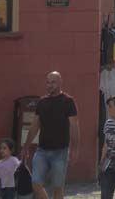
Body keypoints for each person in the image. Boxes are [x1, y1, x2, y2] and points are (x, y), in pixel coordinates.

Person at [21, 71, 79, 199]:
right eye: (48, 82)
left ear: (60, 82)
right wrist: (26, 147)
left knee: (58, 188)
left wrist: (75, 148)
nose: (49, 85)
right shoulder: (42, 102)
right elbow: (35, 126)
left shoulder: (68, 101)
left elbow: (74, 126)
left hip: (60, 151)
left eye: (53, 82)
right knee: (36, 183)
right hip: (42, 150)